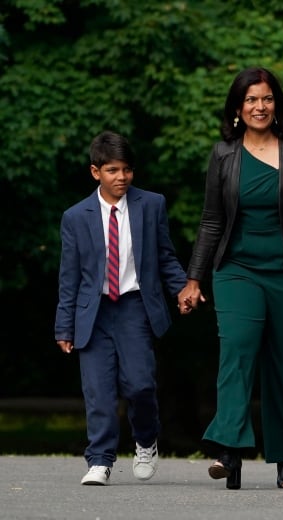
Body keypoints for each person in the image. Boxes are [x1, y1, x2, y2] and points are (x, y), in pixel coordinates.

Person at [177, 67, 283, 490]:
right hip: (237, 270)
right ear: (237, 109)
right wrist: (194, 279)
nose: (259, 107)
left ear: (276, 103)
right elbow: (211, 220)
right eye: (250, 100)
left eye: (266, 99)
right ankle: (229, 451)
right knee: (238, 351)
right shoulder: (224, 154)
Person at [54, 131, 187, 485]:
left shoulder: (151, 204)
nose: (121, 177)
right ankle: (99, 459)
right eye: (113, 170)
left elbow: (165, 257)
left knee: (140, 384)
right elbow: (69, 276)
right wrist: (63, 326)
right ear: (96, 172)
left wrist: (182, 289)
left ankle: (145, 440)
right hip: (92, 312)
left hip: (133, 306)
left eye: (127, 169)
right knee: (98, 390)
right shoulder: (76, 217)